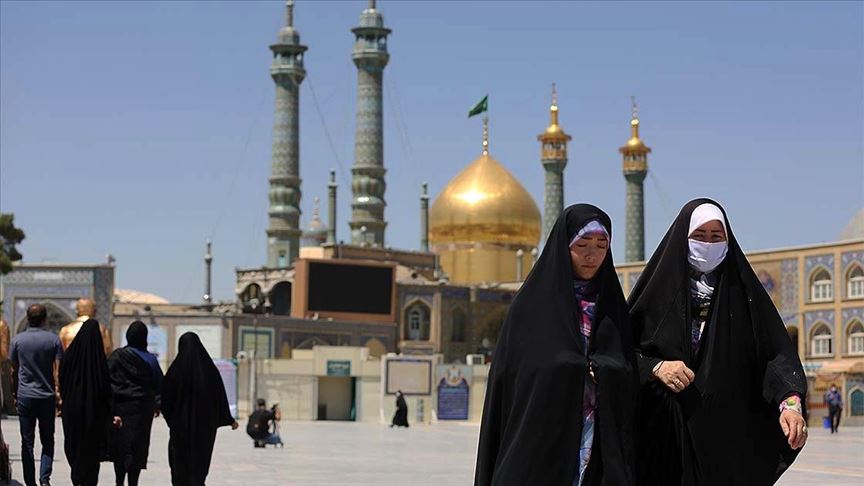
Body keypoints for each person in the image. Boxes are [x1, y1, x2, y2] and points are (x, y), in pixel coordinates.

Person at [629, 199, 808, 485]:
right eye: (699, 236)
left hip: (727, 441)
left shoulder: (743, 294)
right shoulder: (657, 295)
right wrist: (657, 367)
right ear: (683, 237)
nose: (708, 244)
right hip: (665, 439)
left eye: (716, 236)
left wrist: (791, 404)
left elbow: (775, 356)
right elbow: (623, 351)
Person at [475, 204, 638, 486]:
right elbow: (516, 380)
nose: (592, 255)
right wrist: (573, 368)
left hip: (598, 447)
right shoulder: (531, 308)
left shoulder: (614, 310)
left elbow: (627, 370)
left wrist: (603, 369)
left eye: (601, 246)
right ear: (563, 247)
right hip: (538, 446)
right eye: (582, 245)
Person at [162, 332, 238, 486]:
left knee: (179, 464)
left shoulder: (175, 371)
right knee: (199, 465)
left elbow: (165, 399)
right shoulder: (209, 371)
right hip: (204, 430)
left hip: (180, 429)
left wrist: (173, 420)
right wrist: (228, 419)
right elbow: (219, 397)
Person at [60, 319, 122, 486]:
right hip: (94, 413)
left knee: (74, 444)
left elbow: (62, 381)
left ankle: (77, 478)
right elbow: (106, 390)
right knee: (91, 451)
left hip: (72, 410)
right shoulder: (99, 361)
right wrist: (110, 412)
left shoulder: (69, 356)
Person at [10, 304, 63, 486]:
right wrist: (59, 393)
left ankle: (30, 481)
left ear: (27, 318)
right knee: (47, 440)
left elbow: (13, 370)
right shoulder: (53, 340)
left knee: (27, 442)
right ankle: (44, 479)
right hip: (46, 396)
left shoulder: (17, 340)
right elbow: (58, 371)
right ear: (45, 319)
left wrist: (15, 394)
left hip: (25, 396)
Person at [108, 321, 163, 485]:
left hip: (120, 409)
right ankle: (133, 482)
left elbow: (106, 380)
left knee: (120, 447)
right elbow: (159, 384)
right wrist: (157, 404)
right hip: (142, 411)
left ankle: (119, 481)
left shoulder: (117, 356)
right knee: (137, 447)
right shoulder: (150, 359)